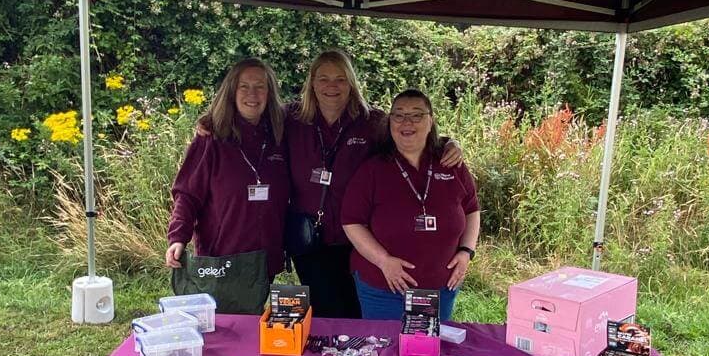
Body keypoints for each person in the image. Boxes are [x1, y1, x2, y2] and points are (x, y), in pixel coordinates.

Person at [285, 51, 464, 319]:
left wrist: (449, 144)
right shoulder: (291, 118)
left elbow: (409, 133)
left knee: (360, 312)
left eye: (340, 79)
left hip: (361, 238)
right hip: (313, 238)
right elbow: (246, 119)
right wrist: (209, 122)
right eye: (323, 78)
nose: (331, 86)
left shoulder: (371, 121)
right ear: (311, 83)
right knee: (326, 312)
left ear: (352, 83)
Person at [342, 88, 480, 321]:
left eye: (417, 115)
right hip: (384, 287)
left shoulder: (450, 163)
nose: (407, 122)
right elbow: (351, 221)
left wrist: (466, 252)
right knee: (382, 350)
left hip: (441, 287)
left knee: (429, 352)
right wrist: (384, 261)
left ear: (431, 121)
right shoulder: (373, 169)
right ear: (390, 122)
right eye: (399, 115)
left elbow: (472, 210)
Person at [165, 58, 289, 307]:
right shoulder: (211, 138)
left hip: (264, 256)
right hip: (223, 258)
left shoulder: (281, 133)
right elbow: (188, 194)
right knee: (223, 328)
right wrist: (178, 237)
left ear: (270, 92)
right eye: (244, 86)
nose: (252, 94)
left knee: (254, 325)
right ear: (231, 91)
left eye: (260, 86)